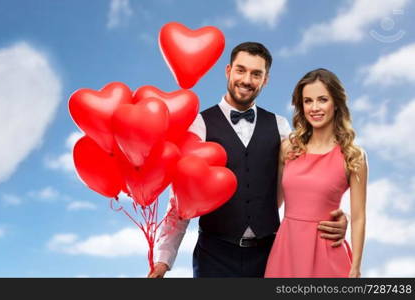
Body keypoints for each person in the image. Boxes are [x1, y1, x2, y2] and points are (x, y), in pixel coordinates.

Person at [148, 42, 348, 278]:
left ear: (266, 80)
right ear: (228, 71)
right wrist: (163, 260)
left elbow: (309, 182)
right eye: (241, 70)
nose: (246, 80)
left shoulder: (281, 126)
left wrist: (335, 216)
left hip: (270, 255)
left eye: (256, 74)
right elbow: (180, 200)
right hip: (214, 257)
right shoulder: (198, 125)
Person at [264, 68, 367, 278]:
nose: (315, 107)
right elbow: (274, 203)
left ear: (336, 103)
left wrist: (355, 267)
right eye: (308, 101)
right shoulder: (288, 149)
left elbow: (358, 217)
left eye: (322, 99)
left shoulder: (352, 156)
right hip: (286, 251)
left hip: (328, 253)